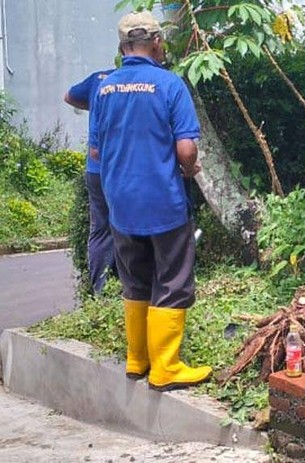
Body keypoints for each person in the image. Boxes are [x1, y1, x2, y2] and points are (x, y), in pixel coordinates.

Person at [88, 11, 212, 391]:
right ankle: (166, 367)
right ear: (157, 42)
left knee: (135, 279)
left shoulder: (104, 89)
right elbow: (186, 149)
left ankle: (136, 359)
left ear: (122, 47)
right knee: (173, 280)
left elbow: (96, 151)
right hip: (163, 202)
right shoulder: (170, 85)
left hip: (120, 204)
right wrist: (190, 169)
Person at [64, 67, 116, 294]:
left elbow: (69, 96)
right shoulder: (139, 81)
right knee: (130, 226)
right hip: (121, 168)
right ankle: (131, 288)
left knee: (101, 229)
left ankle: (100, 290)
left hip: (95, 169)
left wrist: (92, 107)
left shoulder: (98, 78)